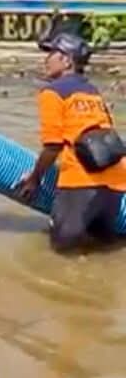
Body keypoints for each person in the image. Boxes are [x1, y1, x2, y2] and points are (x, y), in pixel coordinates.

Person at [15, 31, 126, 253]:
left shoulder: (52, 92)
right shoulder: (92, 92)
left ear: (66, 60)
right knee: (103, 250)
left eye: (51, 54)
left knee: (63, 255)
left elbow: (53, 145)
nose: (46, 60)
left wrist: (34, 179)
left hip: (80, 183)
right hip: (115, 181)